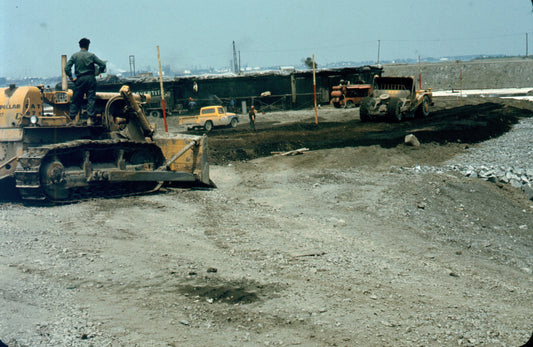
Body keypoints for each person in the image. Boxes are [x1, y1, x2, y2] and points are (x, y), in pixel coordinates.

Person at [64, 37, 106, 124]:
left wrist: (71, 77)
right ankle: (90, 119)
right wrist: (98, 72)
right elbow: (102, 64)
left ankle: (72, 119)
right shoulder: (91, 55)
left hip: (80, 79)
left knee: (76, 99)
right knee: (90, 99)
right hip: (90, 79)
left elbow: (67, 68)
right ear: (88, 45)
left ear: (80, 46)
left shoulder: (75, 56)